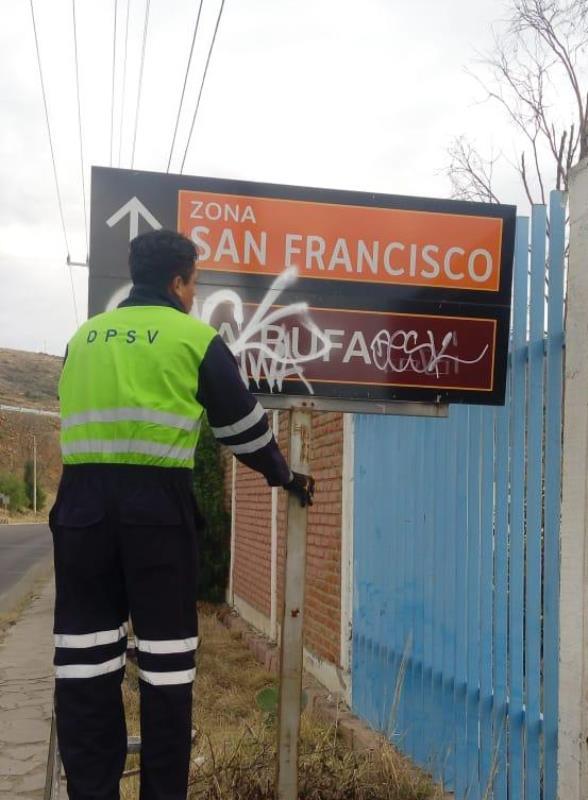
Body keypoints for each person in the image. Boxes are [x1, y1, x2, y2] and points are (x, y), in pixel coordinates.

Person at [51, 229, 315, 800]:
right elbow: (243, 428)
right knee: (166, 669)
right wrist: (284, 475)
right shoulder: (193, 339)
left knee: (84, 666)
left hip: (80, 514)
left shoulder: (82, 338)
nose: (195, 295)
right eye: (194, 284)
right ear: (177, 282)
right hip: (156, 516)